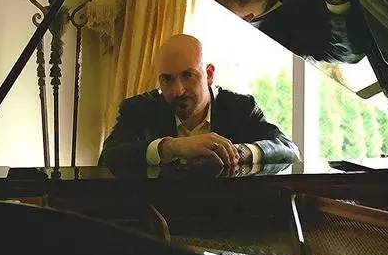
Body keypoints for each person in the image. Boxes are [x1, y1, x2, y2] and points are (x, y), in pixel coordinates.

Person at [98, 34, 299, 169]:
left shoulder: (240, 107)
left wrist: (242, 152)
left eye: (188, 75)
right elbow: (107, 158)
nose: (178, 90)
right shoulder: (139, 109)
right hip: (158, 213)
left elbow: (289, 149)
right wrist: (170, 147)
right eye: (167, 79)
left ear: (209, 75)